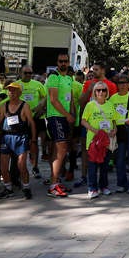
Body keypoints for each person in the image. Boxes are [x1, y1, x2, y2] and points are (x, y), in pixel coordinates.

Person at [0, 83, 36, 199]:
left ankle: (26, 187)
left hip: (21, 137)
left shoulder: (24, 106)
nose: (11, 92)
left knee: (21, 165)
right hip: (6, 137)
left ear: (19, 92)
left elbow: (31, 123)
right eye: (9, 90)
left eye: (14, 90)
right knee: (3, 166)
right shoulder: (4, 106)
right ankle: (8, 188)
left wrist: (33, 140)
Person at [44, 53, 75, 197]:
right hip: (56, 117)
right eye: (61, 61)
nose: (63, 63)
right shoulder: (53, 77)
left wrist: (72, 114)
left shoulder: (69, 78)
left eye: (65, 61)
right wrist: (67, 115)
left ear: (69, 63)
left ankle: (55, 181)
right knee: (61, 149)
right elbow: (53, 100)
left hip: (65, 118)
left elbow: (70, 99)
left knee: (59, 151)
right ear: (57, 62)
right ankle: (53, 185)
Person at [81, 81, 117, 199]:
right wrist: (94, 130)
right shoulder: (90, 105)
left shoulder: (110, 105)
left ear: (107, 92)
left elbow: (114, 121)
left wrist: (114, 130)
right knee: (92, 167)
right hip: (93, 141)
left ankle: (104, 187)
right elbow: (83, 121)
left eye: (103, 90)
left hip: (106, 141)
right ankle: (92, 188)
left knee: (104, 166)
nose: (101, 92)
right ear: (94, 92)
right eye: (98, 90)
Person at [15, 65, 47, 180]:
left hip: (37, 117)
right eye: (26, 73)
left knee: (34, 143)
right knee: (22, 144)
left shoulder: (37, 84)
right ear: (20, 73)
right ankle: (19, 168)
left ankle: (35, 167)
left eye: (30, 73)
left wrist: (40, 107)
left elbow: (45, 97)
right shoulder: (16, 85)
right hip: (21, 119)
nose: (28, 75)